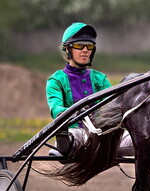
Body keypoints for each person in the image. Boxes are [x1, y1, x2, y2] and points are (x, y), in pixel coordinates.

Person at [46, 22, 131, 156]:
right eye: (80, 46)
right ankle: (64, 145)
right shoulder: (56, 80)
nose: (85, 50)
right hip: (74, 131)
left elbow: (113, 105)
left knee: (141, 139)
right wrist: (76, 111)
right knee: (75, 139)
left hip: (103, 133)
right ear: (68, 49)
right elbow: (56, 109)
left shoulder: (100, 79)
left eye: (89, 46)